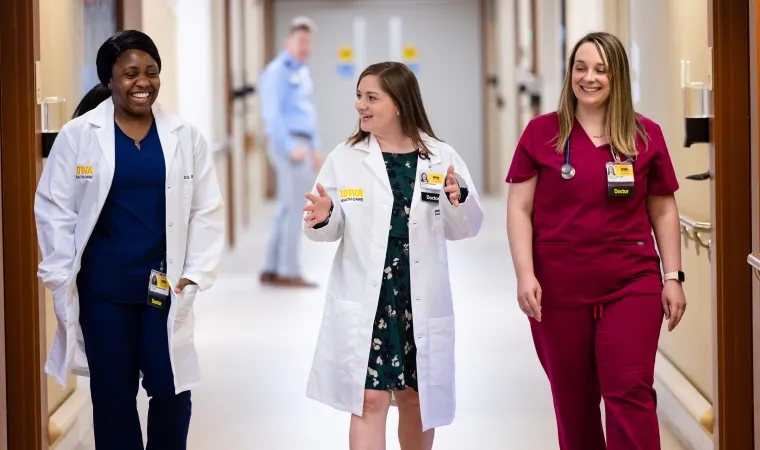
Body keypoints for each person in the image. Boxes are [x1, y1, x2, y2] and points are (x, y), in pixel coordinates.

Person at [34, 30, 226, 450]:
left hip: (163, 287)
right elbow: (53, 209)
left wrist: (193, 275)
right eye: (130, 73)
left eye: (152, 72)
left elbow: (206, 210)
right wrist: (58, 272)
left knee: (172, 391)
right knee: (113, 397)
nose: (143, 82)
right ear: (110, 80)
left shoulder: (184, 136)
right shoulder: (79, 135)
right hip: (103, 290)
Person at [505, 32, 687, 450]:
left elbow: (662, 208)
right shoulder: (541, 134)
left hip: (632, 283)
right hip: (559, 288)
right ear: (570, 73)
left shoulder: (645, 135)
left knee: (630, 392)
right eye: (581, 67)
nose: (589, 78)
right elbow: (519, 209)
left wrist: (672, 276)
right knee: (574, 402)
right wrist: (524, 274)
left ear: (617, 76)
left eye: (601, 69)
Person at [302, 62, 484, 450]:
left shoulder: (439, 156)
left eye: (371, 98)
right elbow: (328, 226)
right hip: (372, 296)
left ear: (399, 103)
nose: (360, 106)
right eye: (358, 96)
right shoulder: (346, 157)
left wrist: (459, 199)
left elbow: (465, 226)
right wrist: (325, 216)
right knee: (368, 399)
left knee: (415, 399)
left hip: (417, 297)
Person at [258, 16, 321, 288]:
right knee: (296, 208)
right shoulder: (277, 71)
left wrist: (315, 146)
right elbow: (272, 114)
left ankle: (271, 267)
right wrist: (289, 147)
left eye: (308, 41)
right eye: (301, 40)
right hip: (289, 144)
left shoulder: (302, 71)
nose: (305, 46)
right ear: (288, 41)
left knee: (287, 207)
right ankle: (289, 271)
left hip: (303, 143)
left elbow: (307, 111)